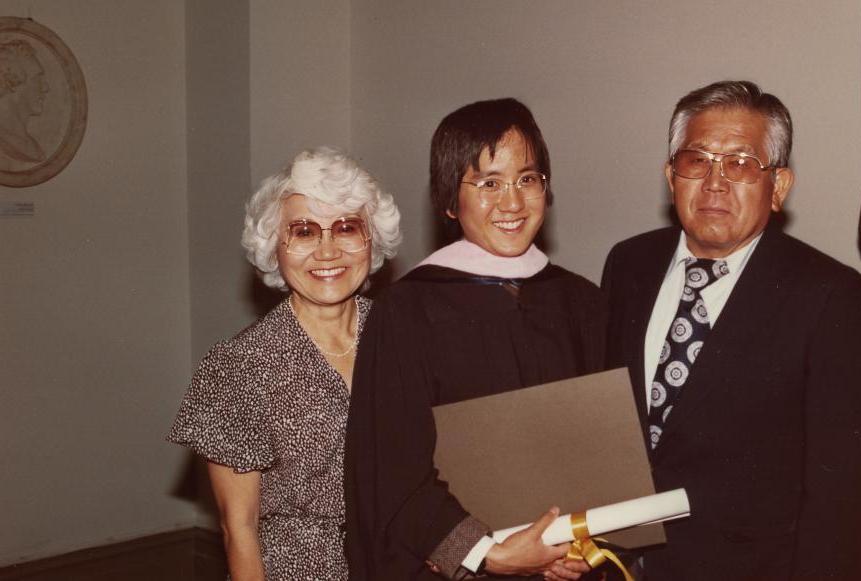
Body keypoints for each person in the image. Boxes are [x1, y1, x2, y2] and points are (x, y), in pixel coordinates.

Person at [600, 80, 861, 580]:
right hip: (617, 565)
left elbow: (847, 498)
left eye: (740, 164)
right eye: (697, 161)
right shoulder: (628, 264)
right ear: (671, 177)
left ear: (777, 187)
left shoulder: (830, 297)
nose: (715, 183)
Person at [345, 98, 605, 581]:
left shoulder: (582, 304)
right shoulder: (407, 313)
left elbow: (602, 451)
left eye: (528, 179)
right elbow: (391, 471)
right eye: (488, 183)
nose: (512, 202)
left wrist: (575, 546)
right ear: (449, 200)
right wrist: (486, 552)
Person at [168, 147, 401, 580]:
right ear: (275, 248)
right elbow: (239, 529)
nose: (328, 251)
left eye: (347, 227)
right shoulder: (238, 367)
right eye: (304, 231)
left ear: (373, 240)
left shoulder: (405, 338)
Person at [0, 39, 49, 164]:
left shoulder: (29, 144)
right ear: (14, 82)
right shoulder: (5, 138)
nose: (46, 88)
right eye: (37, 78)